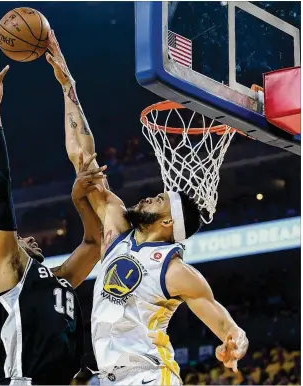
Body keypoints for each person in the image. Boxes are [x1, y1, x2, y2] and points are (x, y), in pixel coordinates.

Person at [46, 33, 249, 386]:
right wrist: (68, 86)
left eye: (159, 199)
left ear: (169, 221)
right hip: (111, 378)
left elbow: (223, 322)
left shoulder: (176, 271)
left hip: (152, 378)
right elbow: (82, 157)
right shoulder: (116, 230)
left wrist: (236, 342)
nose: (149, 198)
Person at [0, 56, 106, 385]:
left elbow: (94, 243)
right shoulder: (9, 271)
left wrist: (79, 199)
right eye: (19, 240)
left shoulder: (57, 280)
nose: (29, 239)